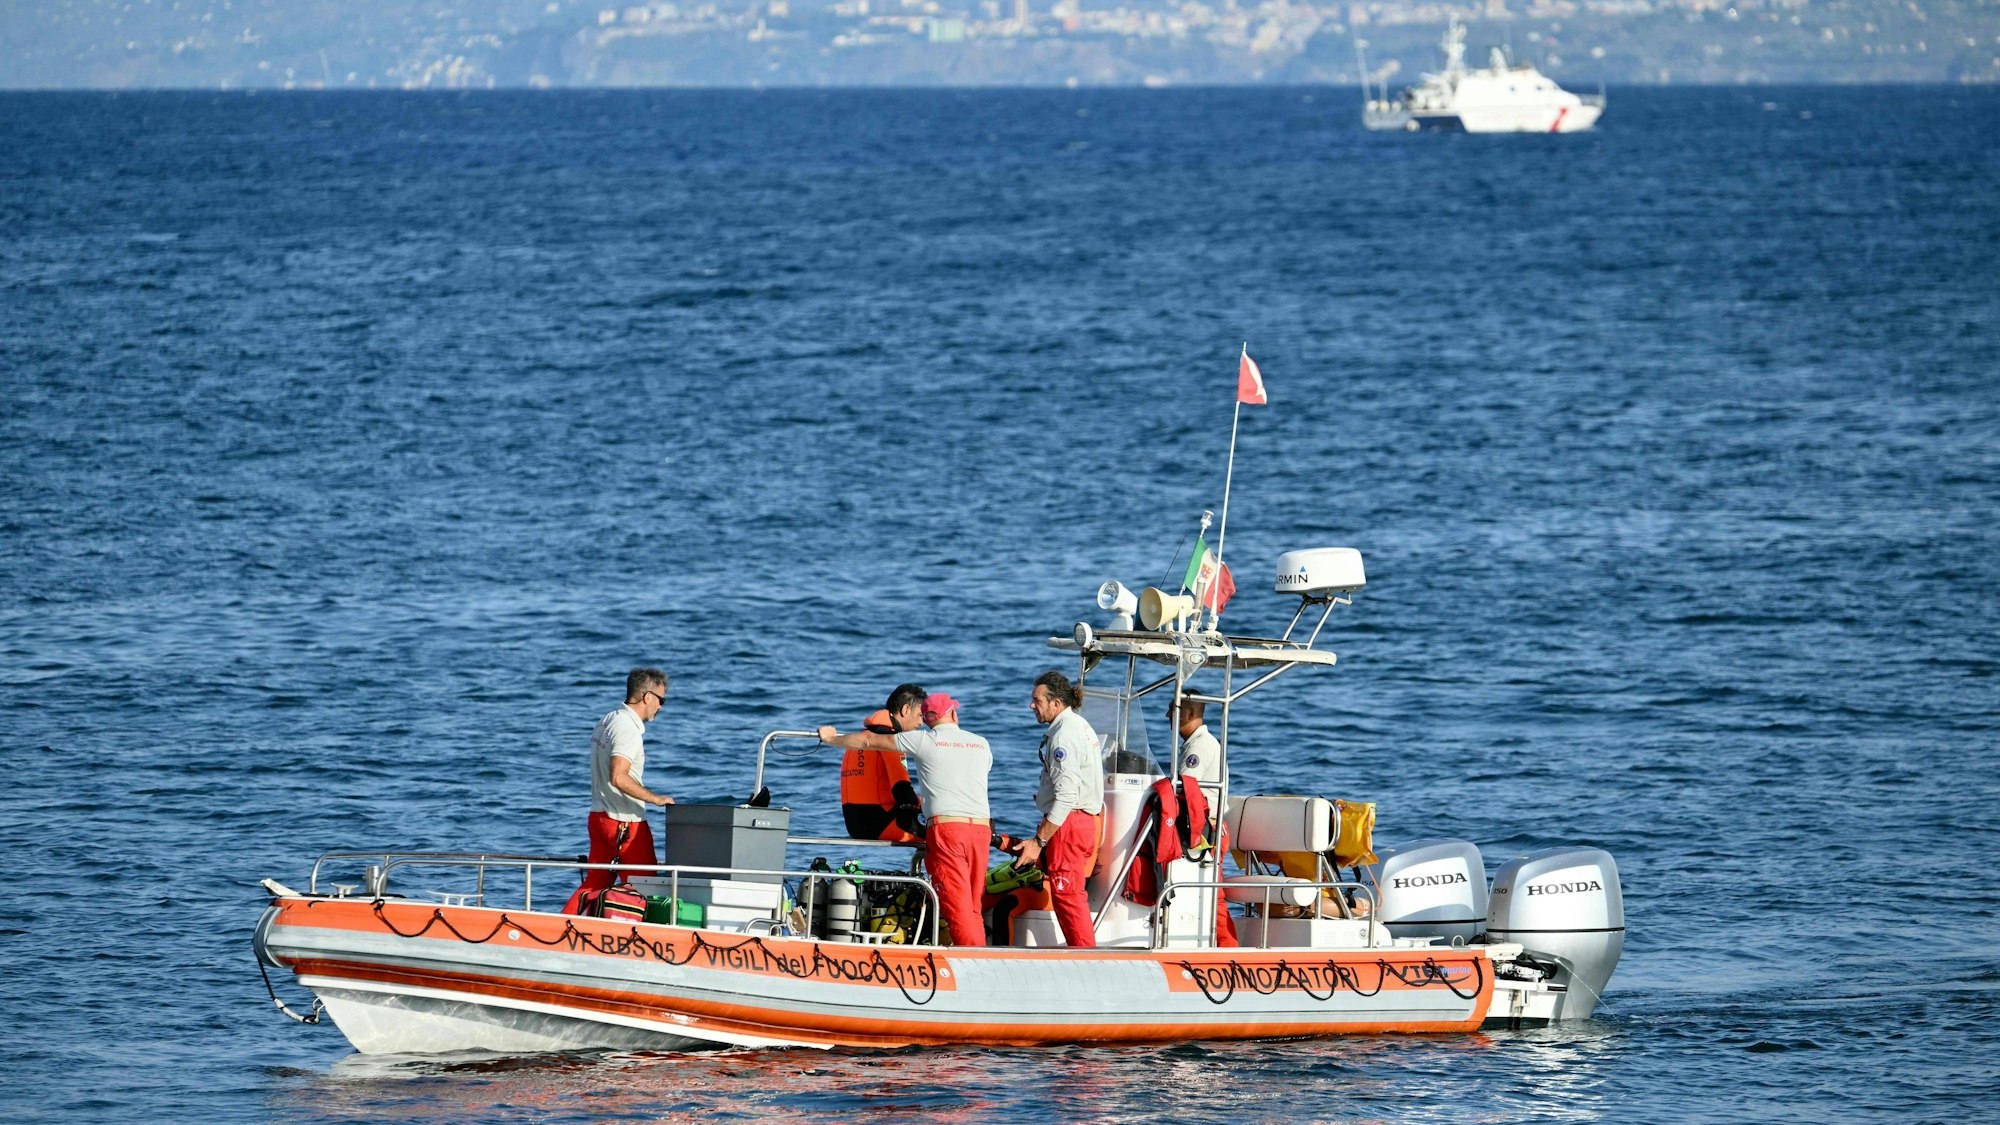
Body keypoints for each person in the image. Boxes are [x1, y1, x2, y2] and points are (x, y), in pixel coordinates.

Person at [819, 684, 993, 947]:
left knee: (957, 905)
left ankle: (973, 959)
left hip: (940, 829)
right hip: (980, 830)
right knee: (973, 901)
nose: (919, 724)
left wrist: (831, 738)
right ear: (954, 715)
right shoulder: (981, 744)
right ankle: (980, 952)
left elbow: (872, 749)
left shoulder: (920, 740)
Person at [563, 668, 675, 915]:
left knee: (594, 885)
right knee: (646, 887)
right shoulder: (628, 729)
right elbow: (618, 776)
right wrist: (656, 798)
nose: (661, 707)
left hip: (599, 818)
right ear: (647, 697)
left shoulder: (608, 720)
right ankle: (640, 941)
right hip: (625, 823)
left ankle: (559, 930)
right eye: (661, 700)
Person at [1015, 670, 1104, 948]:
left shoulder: (1063, 736)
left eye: (1037, 700)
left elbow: (1066, 796)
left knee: (1067, 895)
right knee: (1069, 894)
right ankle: (1082, 952)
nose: (1032, 706)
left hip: (1069, 823)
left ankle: (1085, 958)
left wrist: (1038, 842)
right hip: (1081, 822)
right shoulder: (1080, 725)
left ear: (1056, 704)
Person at [1170, 696, 1238, 947]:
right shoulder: (1198, 743)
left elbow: (1183, 789)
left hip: (1206, 830)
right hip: (1202, 828)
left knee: (1212, 896)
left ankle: (1229, 951)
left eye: (1172, 710)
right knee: (1207, 895)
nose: (1168, 716)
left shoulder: (1199, 746)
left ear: (1187, 714)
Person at [840, 709, 922, 844]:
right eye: (919, 716)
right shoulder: (888, 741)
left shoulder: (857, 741)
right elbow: (902, 791)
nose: (920, 722)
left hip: (854, 826)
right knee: (943, 834)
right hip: (881, 824)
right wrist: (924, 806)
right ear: (905, 712)